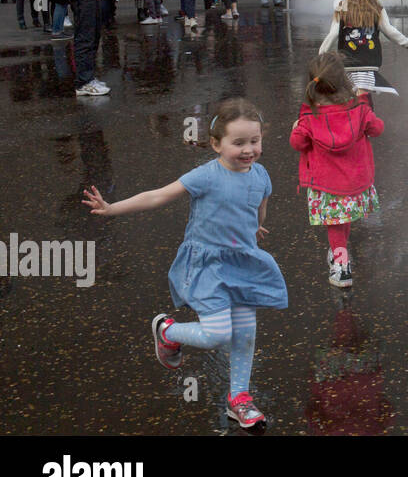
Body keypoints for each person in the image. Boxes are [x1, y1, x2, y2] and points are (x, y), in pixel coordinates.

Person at [81, 97, 287, 429]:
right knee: (218, 334)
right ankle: (168, 331)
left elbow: (260, 203)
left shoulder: (261, 174)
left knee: (246, 332)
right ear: (217, 144)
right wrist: (111, 208)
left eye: (255, 140)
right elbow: (159, 195)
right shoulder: (206, 175)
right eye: (239, 143)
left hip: (243, 262)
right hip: (206, 265)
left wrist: (256, 225)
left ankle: (239, 399)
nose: (248, 149)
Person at [290, 53, 384, 288]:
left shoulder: (309, 117)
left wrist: (296, 127)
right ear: (344, 82)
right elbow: (378, 129)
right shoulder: (359, 109)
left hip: (327, 184)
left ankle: (341, 267)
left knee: (335, 224)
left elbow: (297, 143)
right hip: (354, 180)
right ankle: (340, 252)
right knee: (344, 218)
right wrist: (365, 104)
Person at [318, 0, 408, 96]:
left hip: (347, 64)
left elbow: (333, 34)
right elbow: (389, 31)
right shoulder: (376, 9)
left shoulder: (341, 8)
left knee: (350, 98)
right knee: (363, 98)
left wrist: (321, 55)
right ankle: (365, 114)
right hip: (369, 63)